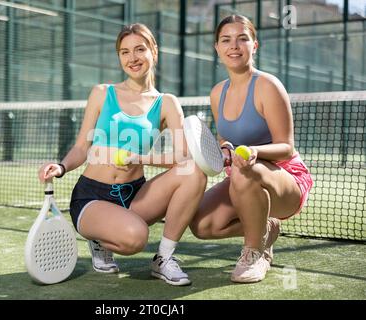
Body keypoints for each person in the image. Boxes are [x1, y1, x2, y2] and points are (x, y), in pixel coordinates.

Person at [38, 23, 207, 286]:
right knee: (135, 240)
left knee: (193, 172)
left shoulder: (167, 103)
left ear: (154, 51)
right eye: (125, 52)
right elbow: (82, 147)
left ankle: (163, 259)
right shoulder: (102, 93)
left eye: (140, 49)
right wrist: (60, 167)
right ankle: (97, 240)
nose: (132, 58)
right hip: (92, 196)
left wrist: (139, 158)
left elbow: (182, 158)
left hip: (134, 195)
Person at [189, 15, 314, 283]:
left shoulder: (268, 86)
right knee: (201, 224)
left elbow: (286, 148)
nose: (234, 45)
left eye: (242, 38)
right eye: (226, 40)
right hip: (242, 175)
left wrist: (255, 152)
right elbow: (225, 138)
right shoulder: (216, 93)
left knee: (244, 169)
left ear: (254, 45)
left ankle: (254, 252)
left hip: (285, 180)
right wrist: (224, 148)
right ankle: (266, 228)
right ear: (217, 48)